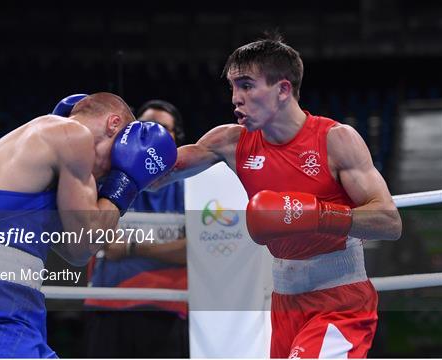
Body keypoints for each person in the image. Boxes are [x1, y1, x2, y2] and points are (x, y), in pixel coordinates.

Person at [152, 34, 402, 358]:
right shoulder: (229, 141)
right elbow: (159, 176)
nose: (235, 99)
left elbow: (389, 221)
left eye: (246, 86)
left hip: (340, 301)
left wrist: (318, 215)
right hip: (285, 303)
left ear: (283, 89)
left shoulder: (335, 140)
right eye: (232, 87)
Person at [0, 92, 177, 358]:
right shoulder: (73, 135)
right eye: (118, 155)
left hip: (1, 294)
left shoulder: (40, 149)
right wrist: (126, 183)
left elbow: (78, 252)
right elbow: (90, 239)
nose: (110, 170)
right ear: (113, 124)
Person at [83, 100, 189, 358]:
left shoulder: (191, 187)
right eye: (145, 128)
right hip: (107, 305)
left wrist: (131, 248)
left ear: (176, 140)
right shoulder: (109, 179)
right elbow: (95, 234)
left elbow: (196, 249)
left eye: (164, 129)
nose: (153, 136)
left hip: (165, 309)